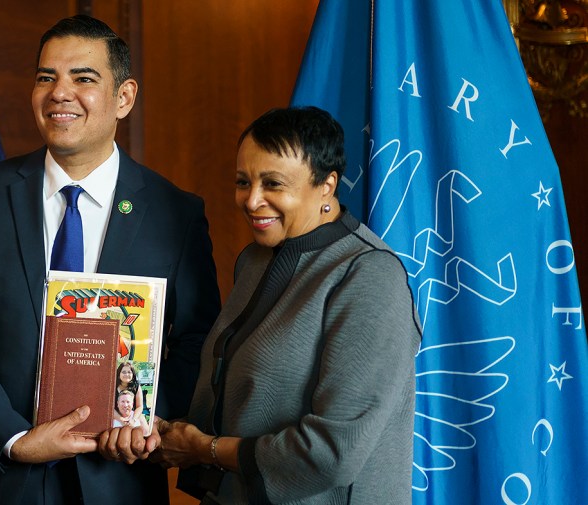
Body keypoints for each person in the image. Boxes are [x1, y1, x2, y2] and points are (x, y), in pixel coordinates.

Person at [0, 14, 220, 505]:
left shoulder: (176, 213)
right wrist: (15, 439)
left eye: (83, 78)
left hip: (119, 480)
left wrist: (147, 421)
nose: (60, 93)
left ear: (123, 98)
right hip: (5, 479)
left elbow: (197, 341)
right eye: (46, 77)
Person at [151, 107, 421, 504]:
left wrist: (204, 449)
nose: (252, 200)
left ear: (327, 185)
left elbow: (331, 453)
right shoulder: (255, 260)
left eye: (273, 184)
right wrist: (168, 431)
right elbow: (242, 394)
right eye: (244, 181)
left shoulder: (369, 276)